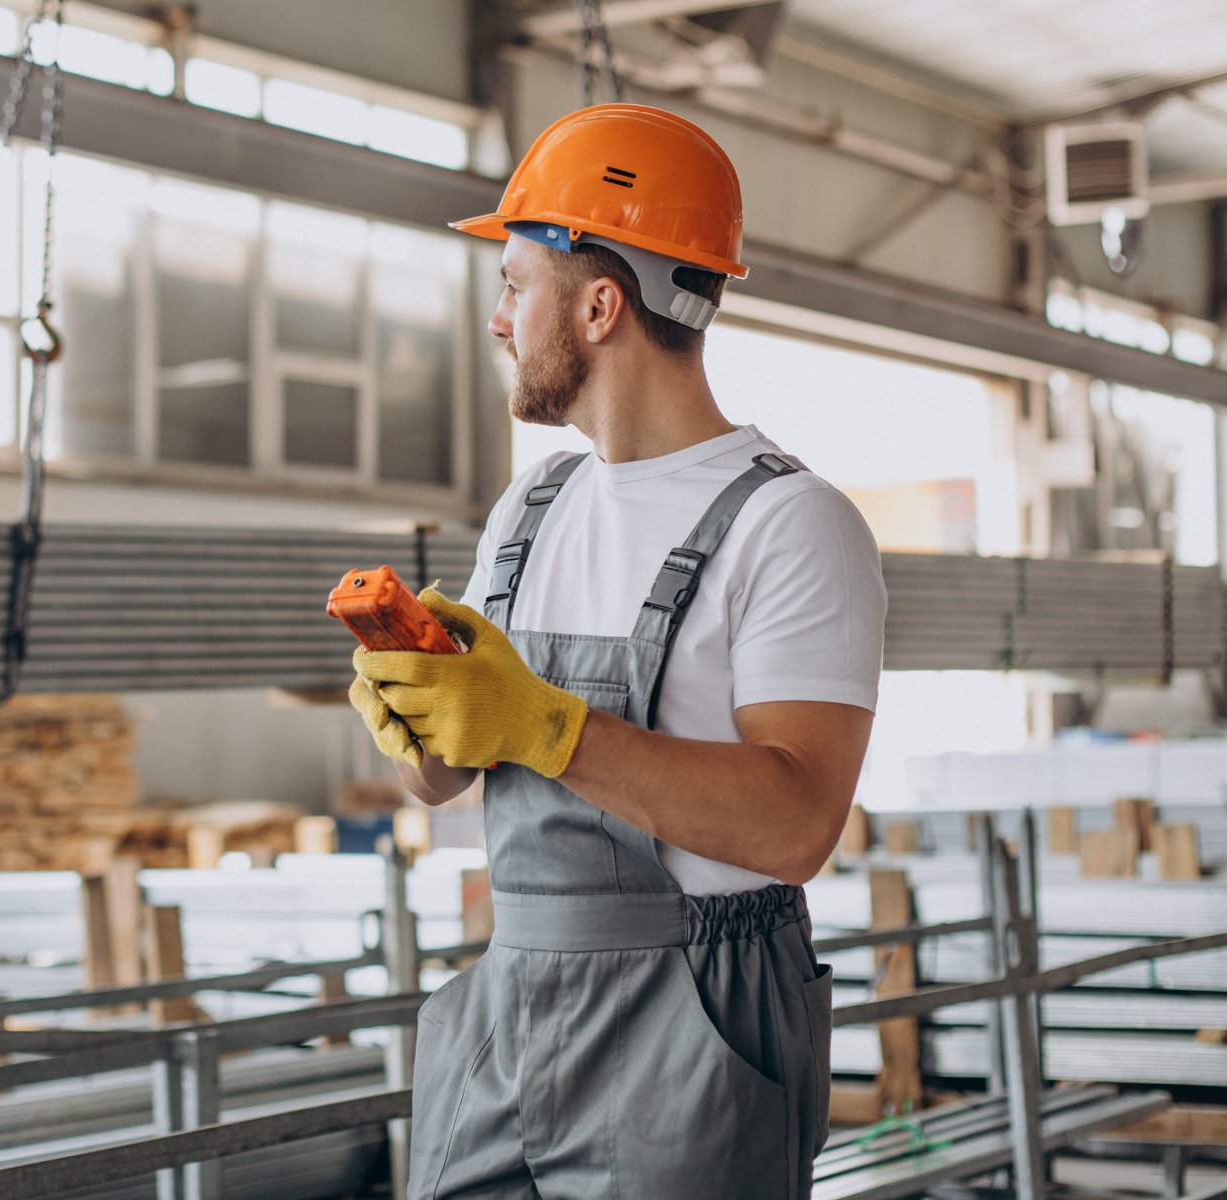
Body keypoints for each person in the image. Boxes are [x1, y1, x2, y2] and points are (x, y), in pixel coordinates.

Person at [349, 104, 887, 1199]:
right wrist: (421, 721)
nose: (499, 321)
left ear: (600, 305)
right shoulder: (530, 507)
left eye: (514, 287)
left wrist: (544, 723)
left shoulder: (791, 523)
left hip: (694, 1017)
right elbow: (448, 780)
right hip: (511, 1005)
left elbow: (794, 825)